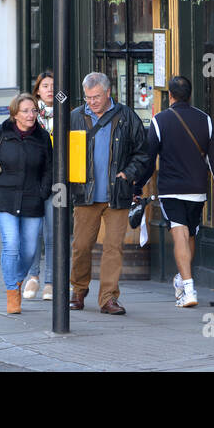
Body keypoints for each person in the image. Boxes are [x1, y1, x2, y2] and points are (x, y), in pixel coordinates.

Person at [137, 75, 214, 308]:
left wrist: (137, 186)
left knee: (180, 234)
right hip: (197, 189)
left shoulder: (159, 121)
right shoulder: (205, 120)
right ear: (190, 94)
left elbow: (148, 160)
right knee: (190, 234)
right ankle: (183, 280)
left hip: (171, 188)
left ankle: (189, 289)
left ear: (170, 95)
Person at [68, 72, 149, 316]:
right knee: (81, 246)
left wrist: (128, 173)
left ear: (108, 93)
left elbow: (143, 152)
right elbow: (61, 152)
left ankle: (108, 298)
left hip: (117, 194)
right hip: (85, 193)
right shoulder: (75, 117)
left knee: (113, 247)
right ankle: (79, 290)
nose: (91, 102)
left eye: (96, 97)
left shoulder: (126, 116)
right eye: (88, 97)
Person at [0, 92, 52, 315]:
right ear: (15, 114)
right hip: (5, 197)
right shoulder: (1, 132)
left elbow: (49, 168)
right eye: (26, 111)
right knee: (11, 244)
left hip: (32, 198)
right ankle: (12, 293)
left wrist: (43, 192)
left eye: (34, 111)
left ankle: (17, 280)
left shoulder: (41, 137)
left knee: (30, 251)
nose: (31, 115)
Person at [22, 70, 57, 301]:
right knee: (33, 232)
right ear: (37, 90)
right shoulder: (29, 116)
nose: (49, 89)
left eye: (53, 85)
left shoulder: (68, 114)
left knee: (53, 231)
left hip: (57, 180)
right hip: (33, 180)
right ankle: (32, 276)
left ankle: (51, 281)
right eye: (45, 85)